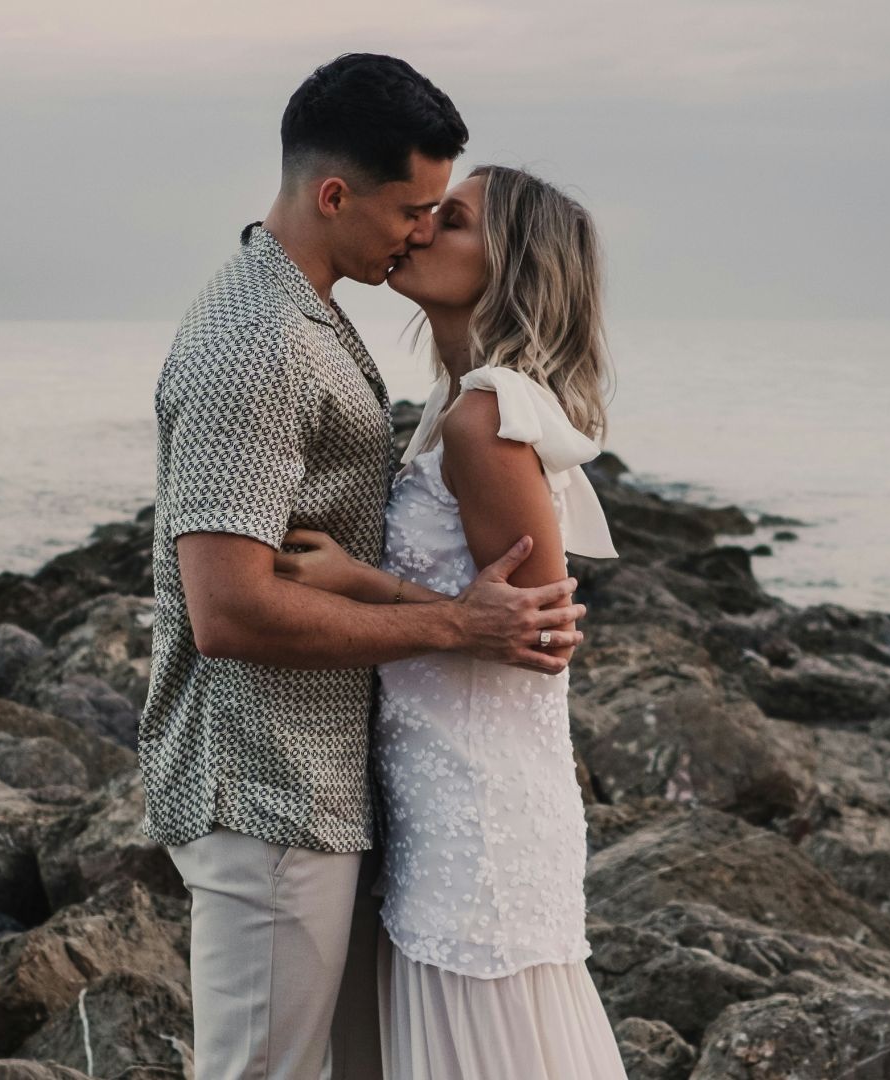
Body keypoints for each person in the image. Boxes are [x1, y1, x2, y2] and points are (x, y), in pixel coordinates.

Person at [138, 54, 588, 1080]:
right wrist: (454, 624)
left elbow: (529, 616)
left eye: (445, 214)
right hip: (266, 784)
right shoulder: (255, 341)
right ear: (335, 194)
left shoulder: (314, 322)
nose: (419, 230)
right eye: (414, 208)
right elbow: (229, 614)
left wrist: (415, 601)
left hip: (330, 789)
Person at [273, 163, 627, 1077]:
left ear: (507, 268)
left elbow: (539, 641)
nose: (421, 227)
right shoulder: (451, 407)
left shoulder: (484, 420)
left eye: (453, 219)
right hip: (441, 797)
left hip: (483, 817)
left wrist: (361, 582)